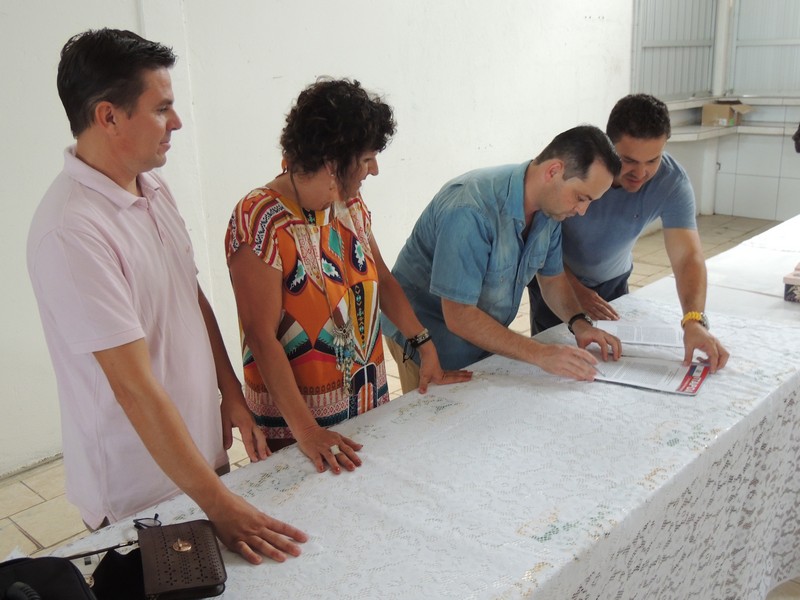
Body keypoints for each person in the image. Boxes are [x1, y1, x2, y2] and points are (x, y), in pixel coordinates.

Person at [27, 28, 306, 565]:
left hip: (198, 460)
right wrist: (220, 504)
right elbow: (133, 389)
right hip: (139, 488)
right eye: (161, 109)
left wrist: (230, 391)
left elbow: (189, 295)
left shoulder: (152, 186)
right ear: (109, 117)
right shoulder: (72, 231)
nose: (176, 122)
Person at [225, 79, 471, 474]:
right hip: (298, 427)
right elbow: (260, 335)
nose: (375, 169)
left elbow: (382, 279)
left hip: (365, 400)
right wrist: (307, 431)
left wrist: (424, 345)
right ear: (332, 160)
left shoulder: (348, 205)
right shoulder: (260, 219)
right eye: (368, 158)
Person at [381, 125, 623, 392]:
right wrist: (540, 353)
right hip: (427, 339)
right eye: (581, 197)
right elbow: (459, 315)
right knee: (433, 415)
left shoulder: (551, 209)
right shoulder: (470, 210)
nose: (582, 210)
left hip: (479, 337)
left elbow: (552, 279)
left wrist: (580, 323)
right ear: (553, 171)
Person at [527, 94, 729, 373]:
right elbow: (539, 243)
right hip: (555, 280)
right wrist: (576, 293)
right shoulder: (575, 171)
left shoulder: (672, 181)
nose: (641, 173)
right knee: (555, 368)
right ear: (609, 146)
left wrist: (694, 320)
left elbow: (687, 257)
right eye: (629, 161)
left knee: (613, 365)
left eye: (653, 160)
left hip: (613, 283)